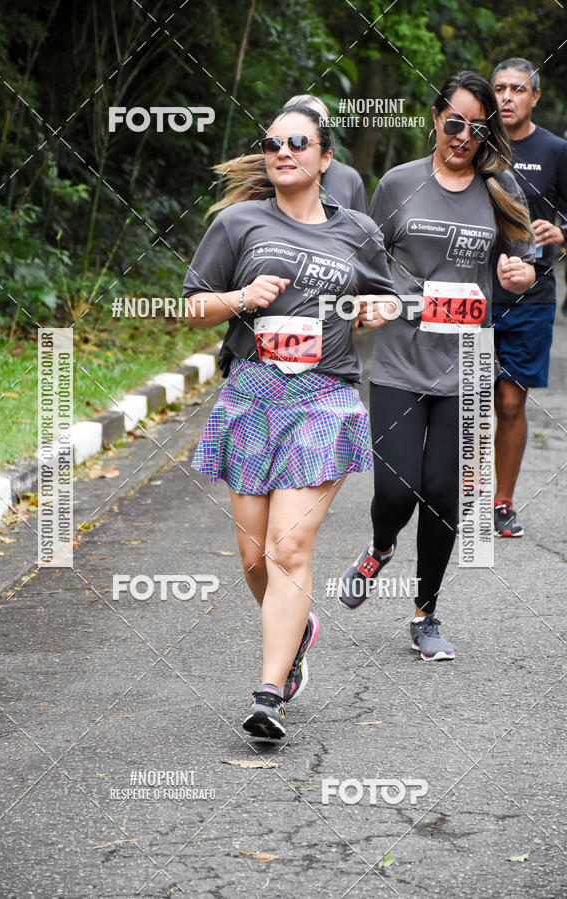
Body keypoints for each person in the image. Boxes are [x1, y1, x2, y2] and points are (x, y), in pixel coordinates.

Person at [183, 105, 396, 739]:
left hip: (324, 397)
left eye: (297, 142)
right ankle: (299, 628)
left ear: (325, 158)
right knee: (253, 559)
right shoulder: (237, 222)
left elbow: (384, 293)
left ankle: (269, 693)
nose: (283, 150)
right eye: (273, 142)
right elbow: (193, 307)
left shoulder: (356, 230)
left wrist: (372, 309)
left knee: (287, 548)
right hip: (253, 394)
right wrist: (241, 299)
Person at [338, 71, 535, 660]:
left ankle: (426, 614)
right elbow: (365, 262)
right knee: (398, 489)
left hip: (467, 364)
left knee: (445, 495)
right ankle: (379, 546)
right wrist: (365, 304)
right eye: (455, 123)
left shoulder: (502, 192)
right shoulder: (398, 184)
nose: (465, 137)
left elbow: (523, 266)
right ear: (434, 118)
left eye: (479, 128)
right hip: (399, 361)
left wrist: (519, 276)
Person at [490, 58, 567, 537]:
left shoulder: (557, 150)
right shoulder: (475, 143)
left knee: (511, 404)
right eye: (499, 88)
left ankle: (502, 502)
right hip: (474, 293)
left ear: (534, 97)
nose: (507, 97)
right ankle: (456, 495)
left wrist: (560, 231)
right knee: (464, 401)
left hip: (532, 297)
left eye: (517, 89)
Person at [284, 94, 369, 212]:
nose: (317, 132)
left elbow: (361, 228)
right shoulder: (275, 171)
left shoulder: (349, 179)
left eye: (322, 125)